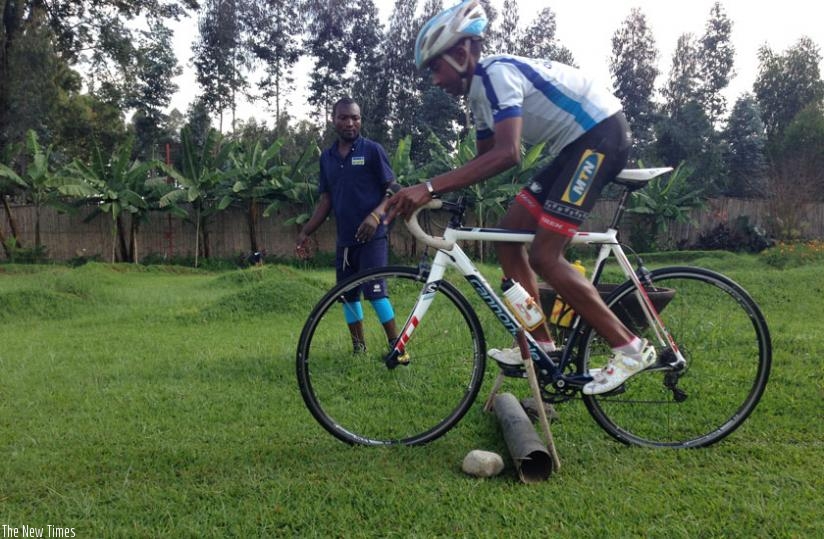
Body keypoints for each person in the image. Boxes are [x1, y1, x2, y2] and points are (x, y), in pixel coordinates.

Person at [383, 0, 656, 394]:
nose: (435, 80)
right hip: (574, 147)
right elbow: (484, 162)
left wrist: (428, 187)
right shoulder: (479, 97)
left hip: (601, 136)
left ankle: (629, 348)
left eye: (436, 67)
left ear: (462, 53)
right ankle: (541, 341)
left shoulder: (496, 74)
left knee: (546, 255)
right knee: (507, 238)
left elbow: (508, 153)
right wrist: (433, 192)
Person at [296, 97, 408, 361]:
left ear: (360, 120)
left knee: (375, 292)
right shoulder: (327, 158)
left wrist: (375, 216)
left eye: (355, 118)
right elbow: (326, 201)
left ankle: (398, 349)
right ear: (333, 120)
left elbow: (393, 188)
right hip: (345, 240)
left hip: (373, 237)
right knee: (348, 296)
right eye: (344, 117)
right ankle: (359, 350)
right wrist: (305, 232)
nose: (350, 123)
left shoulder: (372, 150)